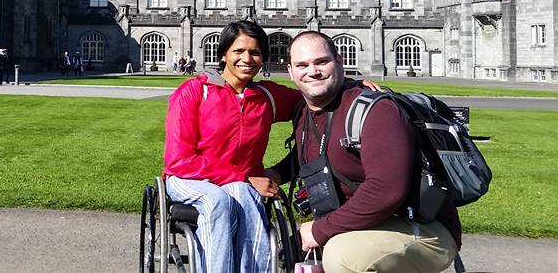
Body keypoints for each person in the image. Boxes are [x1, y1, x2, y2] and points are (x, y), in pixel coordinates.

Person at [165, 22, 380, 273]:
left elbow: (314, 89)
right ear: (223, 54)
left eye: (255, 53)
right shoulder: (194, 91)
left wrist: (350, 85)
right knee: (218, 201)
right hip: (189, 178)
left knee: (244, 196)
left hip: (240, 185)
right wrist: (244, 177)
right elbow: (179, 161)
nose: (247, 59)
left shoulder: (265, 97)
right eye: (239, 51)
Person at [266, 31, 460, 273]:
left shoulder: (376, 111)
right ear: (291, 71)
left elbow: (386, 190)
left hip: (422, 227)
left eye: (321, 62)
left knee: (342, 256)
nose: (312, 71)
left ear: (339, 61)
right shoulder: (304, 112)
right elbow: (310, 153)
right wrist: (274, 173)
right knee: (290, 251)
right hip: (368, 224)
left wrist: (319, 229)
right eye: (302, 65)